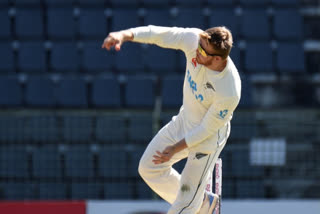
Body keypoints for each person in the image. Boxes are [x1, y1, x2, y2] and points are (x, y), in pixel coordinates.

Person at [102, 25, 241, 214]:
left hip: (207, 140)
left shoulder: (229, 89)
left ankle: (193, 201)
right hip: (184, 121)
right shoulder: (195, 40)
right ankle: (202, 204)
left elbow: (205, 130)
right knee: (149, 167)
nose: (196, 51)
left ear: (217, 58)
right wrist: (125, 35)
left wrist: (175, 148)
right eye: (199, 44)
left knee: (185, 205)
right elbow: (160, 34)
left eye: (202, 50)